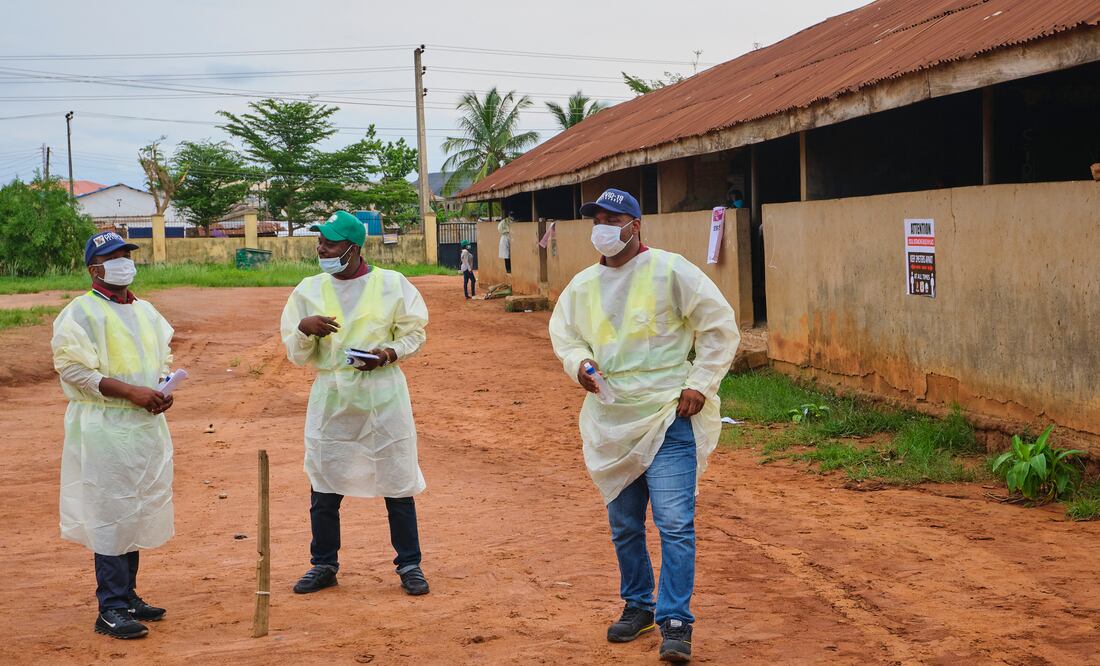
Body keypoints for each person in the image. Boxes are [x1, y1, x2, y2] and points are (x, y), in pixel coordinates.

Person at [548, 189, 740, 663]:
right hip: (612, 418)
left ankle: (676, 620)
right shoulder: (583, 285)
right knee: (625, 525)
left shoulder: (671, 270)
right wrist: (581, 364)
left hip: (670, 415)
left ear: (637, 224)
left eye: (614, 217)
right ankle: (639, 605)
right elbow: (566, 336)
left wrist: (701, 381)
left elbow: (718, 326)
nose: (604, 226)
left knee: (675, 524)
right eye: (597, 218)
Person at [280, 210, 431, 597]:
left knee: (397, 479)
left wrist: (388, 354)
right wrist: (303, 329)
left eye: (329, 243)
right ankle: (324, 564)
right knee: (324, 481)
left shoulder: (392, 284)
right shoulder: (308, 289)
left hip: (382, 395)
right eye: (320, 242)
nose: (321, 248)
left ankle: (410, 564)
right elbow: (296, 354)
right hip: (332, 396)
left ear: (352, 248)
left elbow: (414, 333)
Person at [51, 231, 177, 640]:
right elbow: (73, 370)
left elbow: (163, 358)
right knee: (110, 511)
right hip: (104, 426)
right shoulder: (80, 313)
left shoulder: (146, 311)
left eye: (127, 253)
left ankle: (129, 595)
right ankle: (110, 607)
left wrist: (160, 389)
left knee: (135, 508)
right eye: (114, 256)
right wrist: (131, 392)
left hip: (143, 426)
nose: (124, 261)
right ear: (95, 268)